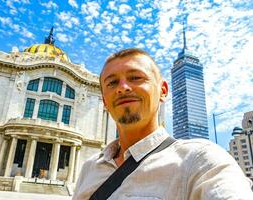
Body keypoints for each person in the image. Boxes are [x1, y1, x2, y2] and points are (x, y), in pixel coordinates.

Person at [73, 48, 253, 199]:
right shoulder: (89, 168)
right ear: (104, 101)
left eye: (135, 77)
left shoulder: (200, 160)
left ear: (163, 91)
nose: (122, 87)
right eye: (112, 82)